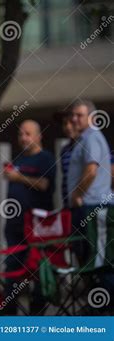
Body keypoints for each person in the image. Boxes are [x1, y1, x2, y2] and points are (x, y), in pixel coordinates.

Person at [2, 120, 56, 314]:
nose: (23, 138)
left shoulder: (46, 159)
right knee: (12, 269)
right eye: (21, 134)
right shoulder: (18, 160)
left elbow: (44, 185)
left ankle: (37, 315)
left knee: (39, 269)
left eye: (28, 134)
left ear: (39, 136)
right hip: (14, 225)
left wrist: (18, 178)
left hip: (37, 226)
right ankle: (7, 315)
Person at [67, 99, 112, 266]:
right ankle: (94, 291)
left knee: (99, 261)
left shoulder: (92, 137)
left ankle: (104, 292)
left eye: (79, 115)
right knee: (86, 257)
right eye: (73, 115)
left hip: (92, 206)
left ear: (92, 117)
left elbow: (91, 170)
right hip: (87, 206)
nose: (74, 119)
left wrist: (78, 194)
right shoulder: (84, 138)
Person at [54, 111, 80, 208]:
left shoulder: (91, 144)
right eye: (65, 123)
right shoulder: (65, 150)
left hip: (89, 206)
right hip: (69, 206)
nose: (68, 127)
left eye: (71, 123)